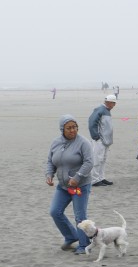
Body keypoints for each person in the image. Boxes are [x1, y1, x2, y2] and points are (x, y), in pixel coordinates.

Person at [46, 114, 93, 255]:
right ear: (62, 129)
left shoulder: (83, 143)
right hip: (63, 186)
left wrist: (77, 177)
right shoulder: (56, 143)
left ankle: (84, 245)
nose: (73, 130)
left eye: (75, 127)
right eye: (69, 128)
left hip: (79, 186)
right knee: (55, 212)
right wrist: (49, 175)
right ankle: (71, 236)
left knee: (80, 216)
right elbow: (50, 161)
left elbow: (89, 162)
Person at [88, 95, 117, 187]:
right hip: (99, 140)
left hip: (105, 140)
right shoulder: (100, 110)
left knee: (103, 159)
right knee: (97, 159)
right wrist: (96, 136)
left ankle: (101, 178)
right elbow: (92, 122)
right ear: (108, 102)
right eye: (113, 103)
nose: (114, 105)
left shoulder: (106, 111)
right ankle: (95, 180)